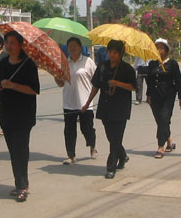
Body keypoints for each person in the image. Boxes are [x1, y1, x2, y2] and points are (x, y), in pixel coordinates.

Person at [81, 40, 136, 180]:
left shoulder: (127, 69)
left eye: (115, 52)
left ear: (121, 53)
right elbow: (95, 86)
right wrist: (87, 103)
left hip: (121, 108)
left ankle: (111, 167)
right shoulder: (102, 67)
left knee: (115, 137)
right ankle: (122, 156)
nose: (112, 55)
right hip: (105, 106)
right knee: (111, 136)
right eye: (110, 52)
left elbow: (133, 87)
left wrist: (118, 83)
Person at [0, 30, 40, 202]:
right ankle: (19, 183)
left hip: (24, 114)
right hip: (7, 113)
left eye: (12, 43)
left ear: (20, 45)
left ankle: (23, 186)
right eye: (6, 42)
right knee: (12, 150)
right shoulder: (3, 64)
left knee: (20, 149)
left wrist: (13, 85)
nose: (8, 46)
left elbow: (34, 90)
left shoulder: (29, 64)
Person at [55, 37, 97, 165]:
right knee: (69, 130)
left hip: (85, 102)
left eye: (75, 46)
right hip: (69, 103)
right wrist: (56, 76)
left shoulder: (88, 62)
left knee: (86, 128)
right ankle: (71, 155)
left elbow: (96, 81)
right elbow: (61, 84)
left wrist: (90, 101)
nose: (72, 48)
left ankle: (92, 143)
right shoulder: (64, 64)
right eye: (70, 46)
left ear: (80, 47)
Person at [145, 39, 181, 158]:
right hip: (155, 96)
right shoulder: (152, 64)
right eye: (157, 48)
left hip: (168, 96)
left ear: (166, 50)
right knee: (160, 120)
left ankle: (160, 146)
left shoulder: (172, 64)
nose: (159, 50)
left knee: (164, 118)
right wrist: (148, 95)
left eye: (161, 48)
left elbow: (179, 81)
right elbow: (150, 81)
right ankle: (169, 140)